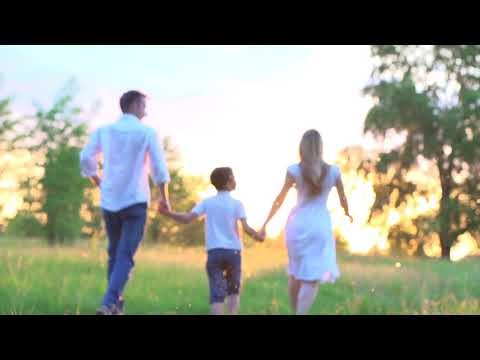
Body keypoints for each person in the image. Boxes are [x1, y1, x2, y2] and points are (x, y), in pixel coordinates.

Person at [80, 90, 170, 315]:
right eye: (143, 105)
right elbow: (158, 168)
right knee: (125, 255)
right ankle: (109, 303)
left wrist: (96, 179)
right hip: (135, 201)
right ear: (134, 104)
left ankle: (115, 306)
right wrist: (164, 199)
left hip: (110, 200)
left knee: (115, 254)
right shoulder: (146, 132)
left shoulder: (104, 131)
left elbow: (85, 157)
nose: (146, 111)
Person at [260, 129, 353, 315]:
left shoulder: (294, 170)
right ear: (320, 147)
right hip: (319, 226)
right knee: (311, 278)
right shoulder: (333, 172)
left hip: (297, 225)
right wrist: (347, 213)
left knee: (295, 272)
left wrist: (265, 223)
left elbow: (279, 199)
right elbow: (343, 199)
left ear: (301, 146)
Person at [159, 167, 264, 315]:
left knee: (217, 296)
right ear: (228, 183)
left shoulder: (207, 202)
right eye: (232, 177)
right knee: (233, 292)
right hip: (233, 252)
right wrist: (258, 236)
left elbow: (188, 218)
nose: (235, 180)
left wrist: (168, 213)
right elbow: (246, 228)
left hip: (214, 252)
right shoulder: (237, 204)